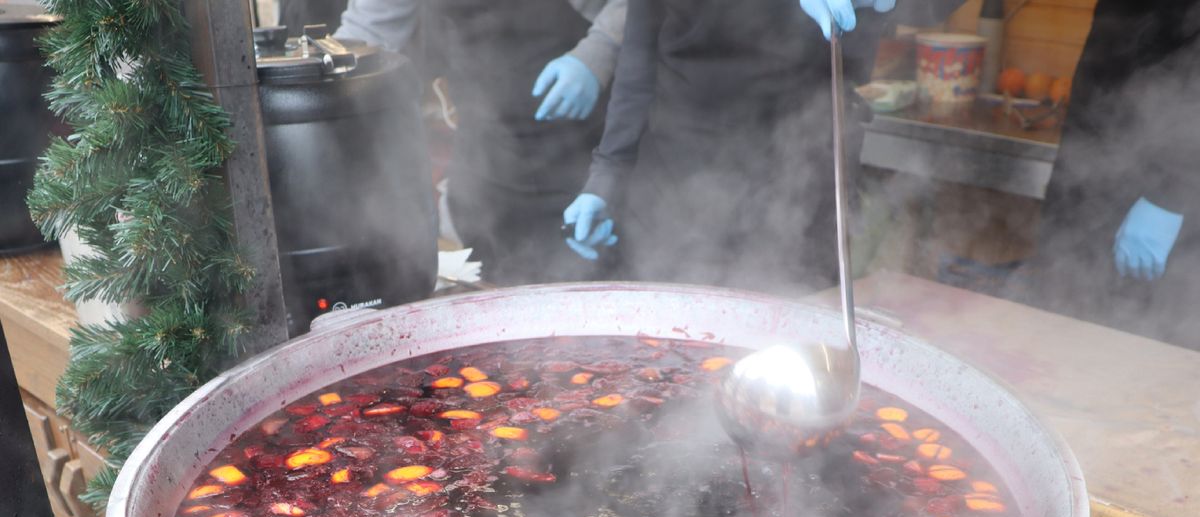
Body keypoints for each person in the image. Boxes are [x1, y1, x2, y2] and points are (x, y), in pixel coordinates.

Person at [563, 0, 963, 293]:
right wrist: (609, 170)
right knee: (665, 353)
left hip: (803, 178)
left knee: (795, 354)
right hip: (673, 184)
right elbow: (639, 50)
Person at [336, 0, 627, 285]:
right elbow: (367, 32)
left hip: (590, 160)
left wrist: (598, 52)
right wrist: (325, 80)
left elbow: (640, 10)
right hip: (485, 165)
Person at [1022, 1, 1200, 350]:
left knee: (1150, 351)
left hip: (1168, 192)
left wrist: (1169, 194)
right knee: (1062, 340)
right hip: (1094, 161)